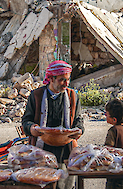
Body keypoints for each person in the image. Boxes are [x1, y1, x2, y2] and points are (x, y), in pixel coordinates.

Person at [22, 60, 84, 189]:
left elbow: (78, 120)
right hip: (42, 149)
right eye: (62, 80)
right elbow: (26, 121)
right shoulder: (36, 96)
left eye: (67, 79)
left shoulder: (73, 96)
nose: (66, 84)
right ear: (51, 78)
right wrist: (32, 128)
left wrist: (79, 130)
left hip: (66, 151)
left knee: (64, 185)